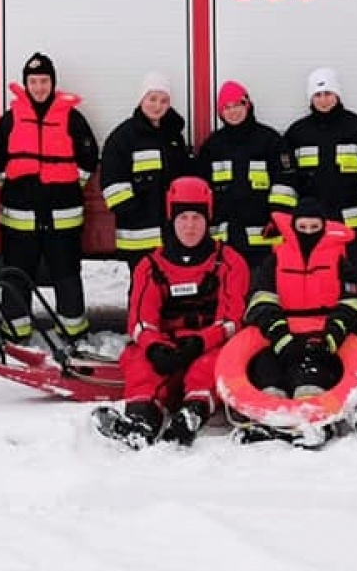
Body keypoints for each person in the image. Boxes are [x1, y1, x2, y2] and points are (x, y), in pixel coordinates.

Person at [97, 178, 250, 447]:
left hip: (207, 345)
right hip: (166, 344)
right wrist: (155, 347)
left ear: (208, 219)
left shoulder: (229, 262)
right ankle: (141, 423)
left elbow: (232, 319)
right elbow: (140, 320)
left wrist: (200, 342)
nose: (190, 226)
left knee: (210, 367)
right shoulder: (150, 266)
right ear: (172, 219)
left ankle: (189, 417)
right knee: (141, 362)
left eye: (196, 218)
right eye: (183, 218)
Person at [0, 52, 99, 344]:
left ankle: (74, 334)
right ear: (25, 84)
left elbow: (89, 157)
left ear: (53, 83)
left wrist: (69, 187)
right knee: (16, 277)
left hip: (63, 219)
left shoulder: (72, 119)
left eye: (44, 81)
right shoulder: (10, 120)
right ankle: (15, 334)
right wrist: (14, 190)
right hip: (19, 221)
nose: (38, 87)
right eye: (33, 81)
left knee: (67, 276)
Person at [240, 198, 357, 401]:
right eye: (302, 227)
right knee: (269, 376)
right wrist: (279, 334)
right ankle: (270, 419)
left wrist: (333, 333)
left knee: (310, 380)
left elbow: (355, 301)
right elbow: (260, 299)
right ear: (293, 227)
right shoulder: (275, 259)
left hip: (323, 336)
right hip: (282, 335)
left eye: (314, 227)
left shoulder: (341, 260)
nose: (308, 232)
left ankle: (313, 419)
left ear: (324, 227)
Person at [275, 67, 357, 264]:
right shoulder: (297, 133)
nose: (323, 100)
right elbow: (287, 180)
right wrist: (283, 218)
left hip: (354, 229)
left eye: (328, 94)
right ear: (310, 98)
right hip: (311, 230)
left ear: (337, 95)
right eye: (318, 95)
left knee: (354, 281)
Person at [100, 72, 194, 270]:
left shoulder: (174, 138)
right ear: (141, 99)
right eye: (152, 99)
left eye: (164, 100)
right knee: (142, 292)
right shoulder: (122, 138)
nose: (157, 106)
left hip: (173, 236)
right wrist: (138, 214)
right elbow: (113, 187)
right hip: (137, 239)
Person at [195, 79, 285, 268]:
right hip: (224, 240)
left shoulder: (269, 140)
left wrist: (278, 216)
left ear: (248, 105)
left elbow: (285, 182)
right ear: (220, 113)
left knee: (262, 290)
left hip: (264, 238)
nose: (233, 111)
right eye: (226, 107)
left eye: (237, 105)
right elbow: (201, 189)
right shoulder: (212, 146)